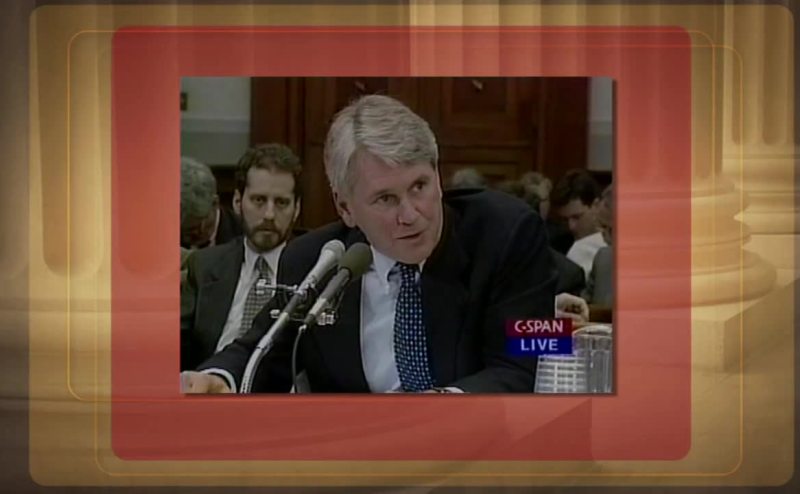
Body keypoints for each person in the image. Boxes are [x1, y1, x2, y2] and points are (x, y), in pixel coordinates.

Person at [182, 95, 557, 393]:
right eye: (385, 199)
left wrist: (436, 409)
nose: (410, 214)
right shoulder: (318, 260)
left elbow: (529, 364)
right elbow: (263, 349)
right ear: (346, 207)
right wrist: (217, 378)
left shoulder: (507, 234)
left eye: (419, 186)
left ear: (437, 175)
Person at [180, 143, 303, 371]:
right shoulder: (205, 265)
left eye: (281, 203)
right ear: (238, 202)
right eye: (259, 200)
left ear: (296, 209)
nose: (269, 214)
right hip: (209, 383)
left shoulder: (314, 268)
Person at [551, 169, 607, 278]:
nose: (571, 226)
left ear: (596, 205)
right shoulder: (555, 246)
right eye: (564, 220)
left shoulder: (614, 244)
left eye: (577, 217)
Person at [180, 156, 242, 250]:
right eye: (188, 229)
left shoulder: (242, 234)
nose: (197, 232)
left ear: (215, 203)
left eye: (202, 221)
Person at [582, 184, 613, 308]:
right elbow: (584, 309)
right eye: (602, 228)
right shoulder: (602, 259)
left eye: (610, 230)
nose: (605, 238)